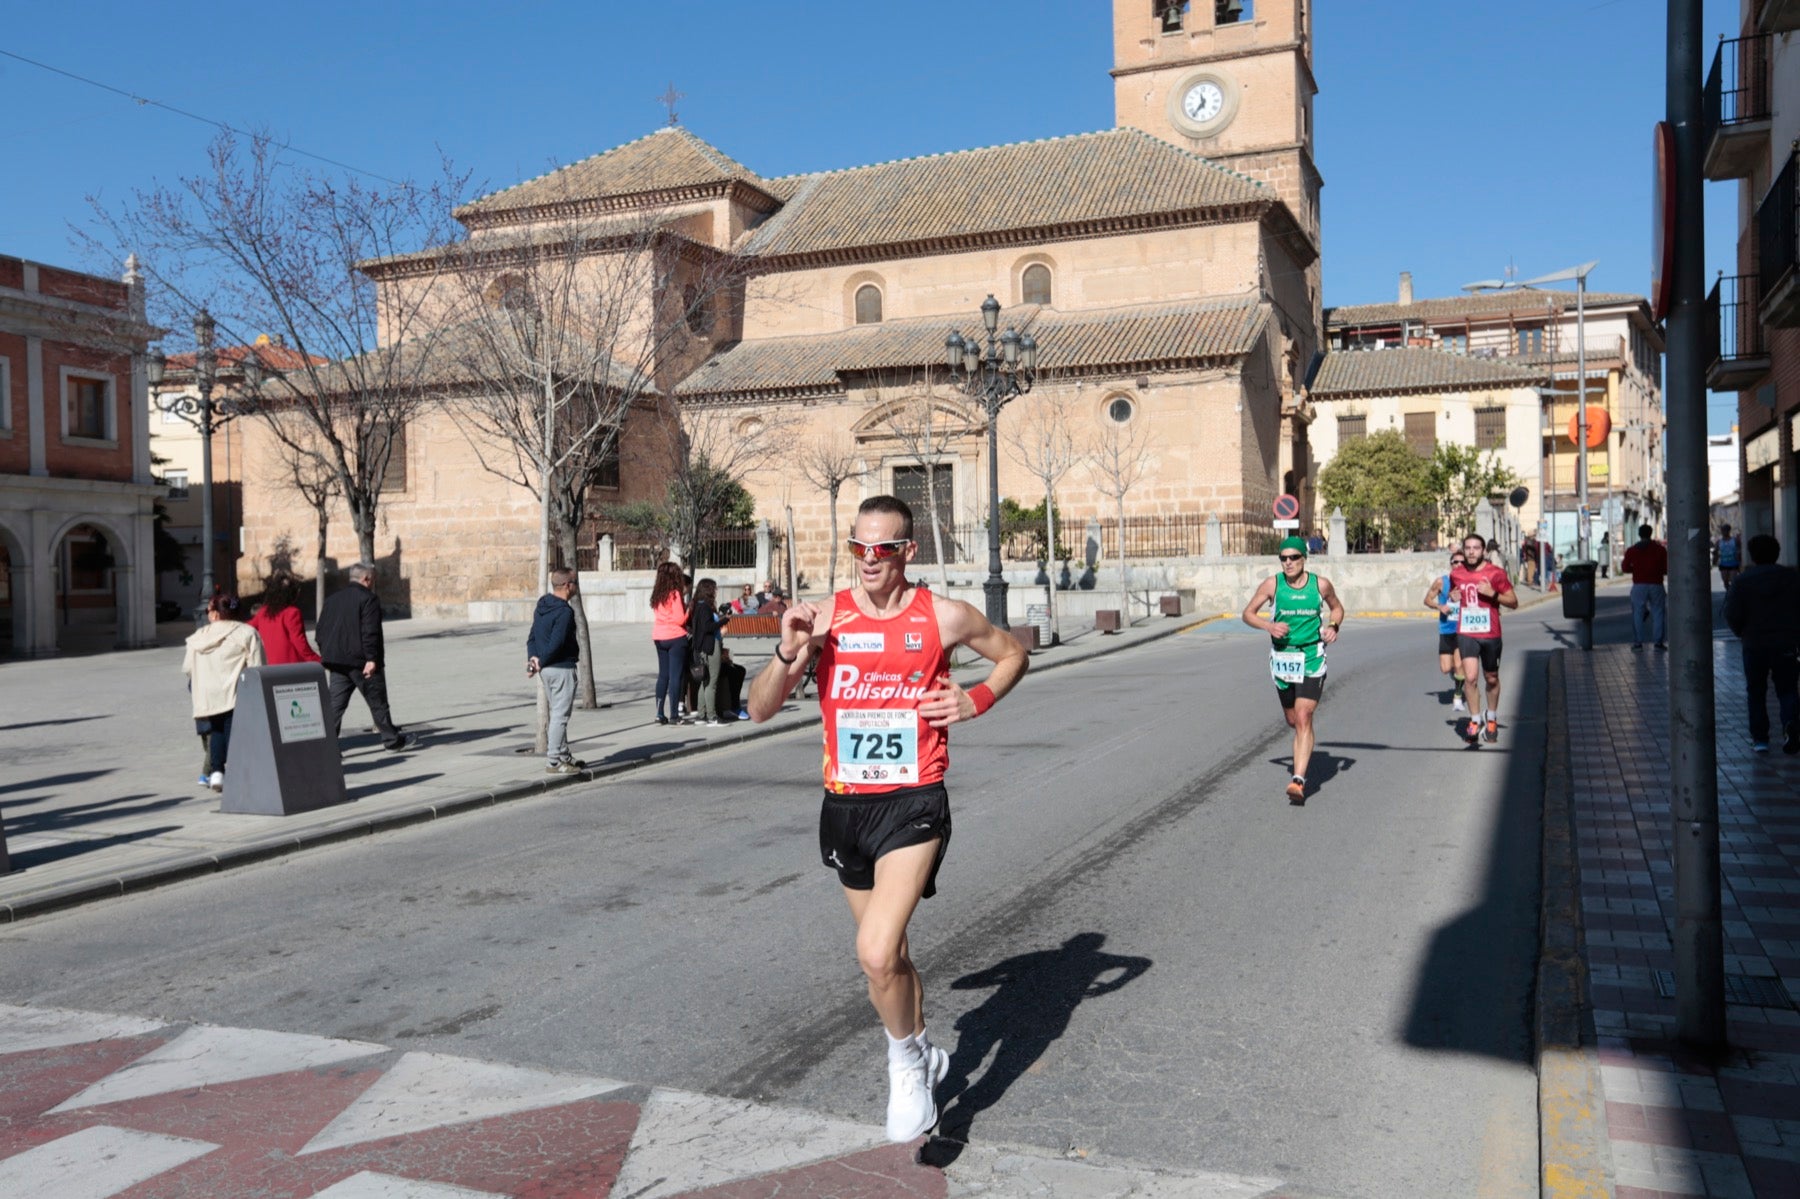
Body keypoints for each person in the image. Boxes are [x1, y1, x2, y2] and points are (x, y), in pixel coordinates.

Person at [745, 494, 1028, 1143]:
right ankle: (924, 1049)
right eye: (859, 548)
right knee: (891, 955)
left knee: (873, 951)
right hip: (846, 808)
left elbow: (1012, 653)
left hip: (914, 802)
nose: (870, 560)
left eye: (884, 548)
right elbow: (758, 709)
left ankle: (904, 1064)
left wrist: (975, 697)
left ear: (908, 551)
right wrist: (789, 653)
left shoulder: (945, 617)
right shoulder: (822, 618)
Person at [1241, 536, 1344, 802]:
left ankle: (1298, 780)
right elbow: (1248, 613)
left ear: (1303, 558)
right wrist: (1269, 626)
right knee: (1291, 719)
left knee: (1303, 716)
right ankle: (1301, 752)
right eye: (1283, 558)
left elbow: (1337, 608)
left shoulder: (1319, 584)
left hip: (1311, 656)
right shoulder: (1272, 584)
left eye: (1293, 557)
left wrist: (1333, 626)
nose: (1288, 563)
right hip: (1283, 658)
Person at [317, 562, 415, 752]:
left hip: (338, 662)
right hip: (362, 662)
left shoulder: (332, 600)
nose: (373, 583)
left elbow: (320, 632)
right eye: (372, 579)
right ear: (366, 579)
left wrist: (327, 654)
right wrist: (372, 659)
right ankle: (392, 740)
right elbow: (370, 632)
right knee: (377, 702)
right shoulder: (368, 599)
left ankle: (326, 748)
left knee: (334, 706)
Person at [1724, 534, 1800, 754]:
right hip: (1785, 642)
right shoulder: (1791, 577)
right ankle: (1789, 724)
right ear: (1777, 553)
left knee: (1756, 691)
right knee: (1787, 689)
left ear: (1752, 555)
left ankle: (1760, 739)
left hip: (1754, 643)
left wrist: (1742, 632)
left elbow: (1732, 613)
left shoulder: (1743, 580)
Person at [182, 591, 265, 791]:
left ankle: (217, 772)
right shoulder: (246, 632)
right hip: (234, 689)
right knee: (234, 730)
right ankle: (237, 771)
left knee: (217, 730)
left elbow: (187, 668)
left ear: (216, 613)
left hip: (207, 693)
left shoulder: (197, 637)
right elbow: (257, 665)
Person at [1450, 532, 1518, 744]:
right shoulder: (1457, 574)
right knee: (1470, 677)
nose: (1471, 552)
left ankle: (1492, 717)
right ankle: (1474, 719)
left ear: (1484, 551)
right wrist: (1454, 597)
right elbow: (1454, 592)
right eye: (1468, 548)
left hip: (1490, 633)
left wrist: (1492, 593)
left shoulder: (1495, 573)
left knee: (1491, 678)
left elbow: (1513, 602)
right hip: (1466, 632)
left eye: (1476, 548)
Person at [528, 568, 583, 774]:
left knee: (558, 713)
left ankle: (563, 754)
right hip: (561, 668)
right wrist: (541, 661)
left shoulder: (542, 606)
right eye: (575, 582)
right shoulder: (564, 612)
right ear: (567, 585)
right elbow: (557, 643)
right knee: (560, 715)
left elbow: (532, 637)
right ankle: (553, 761)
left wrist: (533, 660)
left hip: (547, 671)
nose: (577, 586)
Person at [1424, 550, 1468, 712]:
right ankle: (1456, 676)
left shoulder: (1469, 582)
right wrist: (1439, 606)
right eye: (1455, 562)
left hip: (1463, 630)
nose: (1458, 564)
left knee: (1459, 664)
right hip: (1446, 629)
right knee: (1445, 668)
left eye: (1462, 562)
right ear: (1451, 564)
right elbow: (1427, 600)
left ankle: (1457, 697)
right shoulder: (1441, 582)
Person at [248, 573, 320, 666]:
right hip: (292, 666)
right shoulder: (292, 613)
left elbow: (246, 628)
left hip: (270, 666)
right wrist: (317, 660)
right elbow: (300, 644)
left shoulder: (263, 612)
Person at [687, 577, 730, 727]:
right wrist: (724, 620)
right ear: (709, 590)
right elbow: (708, 627)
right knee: (712, 683)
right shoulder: (705, 607)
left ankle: (701, 714)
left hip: (702, 648)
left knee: (704, 683)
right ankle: (711, 716)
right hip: (710, 647)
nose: (716, 591)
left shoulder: (697, 605)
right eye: (714, 589)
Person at [650, 563, 690, 726]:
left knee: (663, 675)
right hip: (675, 637)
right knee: (675, 676)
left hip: (659, 636)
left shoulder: (657, 594)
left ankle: (660, 713)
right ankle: (674, 714)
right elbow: (680, 619)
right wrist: (689, 609)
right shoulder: (675, 594)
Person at [1621, 524, 1668, 651]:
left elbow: (1625, 568)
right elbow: (1666, 569)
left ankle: (1638, 643)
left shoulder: (1632, 550)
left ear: (1639, 534)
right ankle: (1658, 643)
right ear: (1651, 533)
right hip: (1657, 584)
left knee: (1637, 613)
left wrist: (1636, 569)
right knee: (1658, 613)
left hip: (1639, 585)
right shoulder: (1660, 550)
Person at [715, 645, 749, 720]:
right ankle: (734, 706)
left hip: (716, 658)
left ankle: (735, 705)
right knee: (733, 672)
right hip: (708, 662)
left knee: (740, 670)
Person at [1716, 524, 1742, 590]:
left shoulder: (1735, 540)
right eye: (1722, 530)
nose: (1724, 532)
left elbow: (1740, 550)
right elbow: (1716, 552)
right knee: (1725, 581)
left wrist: (1740, 560)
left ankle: (1732, 594)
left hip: (1734, 563)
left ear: (1729, 531)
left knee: (1733, 581)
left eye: (1726, 530)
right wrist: (1716, 558)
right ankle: (1729, 592)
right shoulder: (1719, 542)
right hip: (1723, 564)